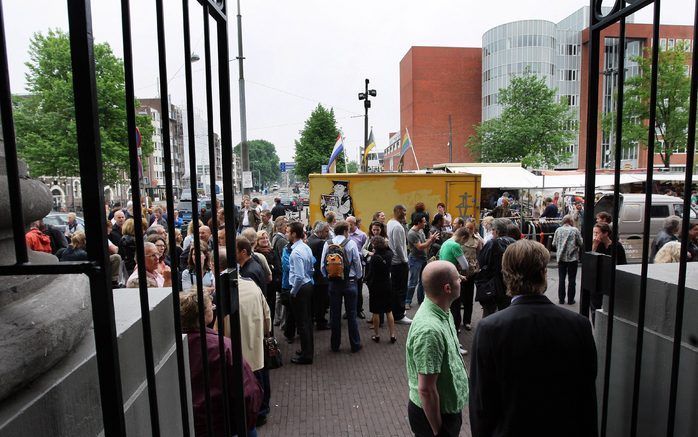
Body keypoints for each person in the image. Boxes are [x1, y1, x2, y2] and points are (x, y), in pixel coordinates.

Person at [469, 239, 598, 437]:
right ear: (544, 273)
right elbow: (587, 396)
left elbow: (482, 403)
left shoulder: (490, 328)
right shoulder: (578, 324)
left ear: (506, 276)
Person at [179, 290, 262, 437]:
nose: (214, 308)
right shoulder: (222, 347)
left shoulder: (171, 348)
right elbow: (247, 391)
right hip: (220, 424)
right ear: (204, 315)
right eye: (211, 306)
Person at [405, 261, 469, 437]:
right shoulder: (429, 331)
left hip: (445, 409)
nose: (461, 280)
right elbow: (426, 390)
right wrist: (438, 430)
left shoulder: (441, 309)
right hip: (436, 417)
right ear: (447, 288)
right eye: (458, 278)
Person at [321, 220, 363, 353]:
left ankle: (335, 345)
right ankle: (355, 344)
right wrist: (358, 276)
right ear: (346, 231)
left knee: (335, 315)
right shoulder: (350, 243)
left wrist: (328, 277)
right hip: (349, 282)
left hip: (334, 283)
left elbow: (323, 265)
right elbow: (357, 262)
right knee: (351, 315)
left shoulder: (327, 244)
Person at [475, 218, 516, 317]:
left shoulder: (492, 243)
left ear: (496, 231)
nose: (491, 232)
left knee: (489, 312)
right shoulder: (514, 242)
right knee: (506, 310)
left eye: (492, 230)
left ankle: (488, 330)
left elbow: (481, 261)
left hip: (493, 283)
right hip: (510, 282)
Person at [287, 222, 315, 364]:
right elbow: (311, 267)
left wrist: (293, 291)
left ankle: (306, 355)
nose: (287, 233)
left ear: (293, 234)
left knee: (302, 323)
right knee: (307, 320)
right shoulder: (305, 247)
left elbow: (298, 275)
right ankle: (307, 349)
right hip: (308, 284)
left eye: (288, 231)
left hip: (300, 288)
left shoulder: (296, 252)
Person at [365, 236, 396, 343]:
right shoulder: (389, 255)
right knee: (389, 311)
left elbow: (371, 273)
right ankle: (392, 335)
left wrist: (365, 280)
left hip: (376, 286)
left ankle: (377, 335)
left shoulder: (374, 258)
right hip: (387, 284)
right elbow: (390, 250)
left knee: (376, 311)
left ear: (374, 245)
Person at [440, 228, 470, 333]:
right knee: (456, 307)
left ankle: (448, 328)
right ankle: (455, 330)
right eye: (464, 242)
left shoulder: (445, 243)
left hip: (444, 276)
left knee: (448, 305)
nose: (463, 244)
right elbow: (465, 265)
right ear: (463, 237)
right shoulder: (455, 245)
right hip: (452, 279)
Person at [406, 214, 439, 309]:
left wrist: (430, 240)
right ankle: (407, 302)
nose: (425, 223)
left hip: (423, 258)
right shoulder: (412, 233)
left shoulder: (420, 230)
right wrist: (431, 240)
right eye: (424, 221)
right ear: (418, 223)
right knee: (413, 281)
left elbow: (424, 242)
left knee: (423, 281)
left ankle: (421, 301)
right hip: (415, 259)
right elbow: (420, 247)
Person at [388, 204, 412, 325]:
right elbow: (398, 246)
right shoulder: (397, 227)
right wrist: (404, 260)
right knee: (401, 289)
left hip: (394, 262)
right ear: (397, 211)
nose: (405, 213)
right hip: (399, 262)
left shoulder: (390, 223)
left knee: (395, 288)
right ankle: (399, 315)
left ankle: (396, 311)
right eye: (403, 211)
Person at [552, 214, 584, 305]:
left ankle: (561, 299)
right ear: (571, 221)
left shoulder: (558, 230)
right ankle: (570, 300)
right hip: (572, 258)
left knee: (561, 279)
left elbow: (554, 244)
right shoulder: (575, 230)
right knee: (572, 279)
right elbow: (581, 243)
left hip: (561, 258)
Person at [459, 219, 483, 331]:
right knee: (457, 298)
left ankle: (467, 321)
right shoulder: (459, 238)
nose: (468, 230)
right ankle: (456, 321)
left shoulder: (477, 240)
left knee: (469, 298)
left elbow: (479, 255)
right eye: (467, 227)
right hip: (459, 272)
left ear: (474, 229)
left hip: (471, 272)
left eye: (471, 228)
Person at [307, 221, 331, 330]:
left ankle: (313, 319)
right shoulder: (320, 243)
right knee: (321, 301)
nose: (328, 233)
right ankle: (321, 322)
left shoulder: (310, 239)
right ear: (320, 232)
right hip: (320, 277)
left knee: (314, 301)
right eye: (326, 231)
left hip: (312, 276)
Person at [346, 216, 367, 319]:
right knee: (347, 289)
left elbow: (365, 250)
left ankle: (359, 310)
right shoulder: (345, 235)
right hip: (347, 267)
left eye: (349, 224)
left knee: (358, 289)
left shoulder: (362, 235)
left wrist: (358, 254)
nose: (348, 226)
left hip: (358, 265)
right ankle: (348, 310)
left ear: (353, 224)